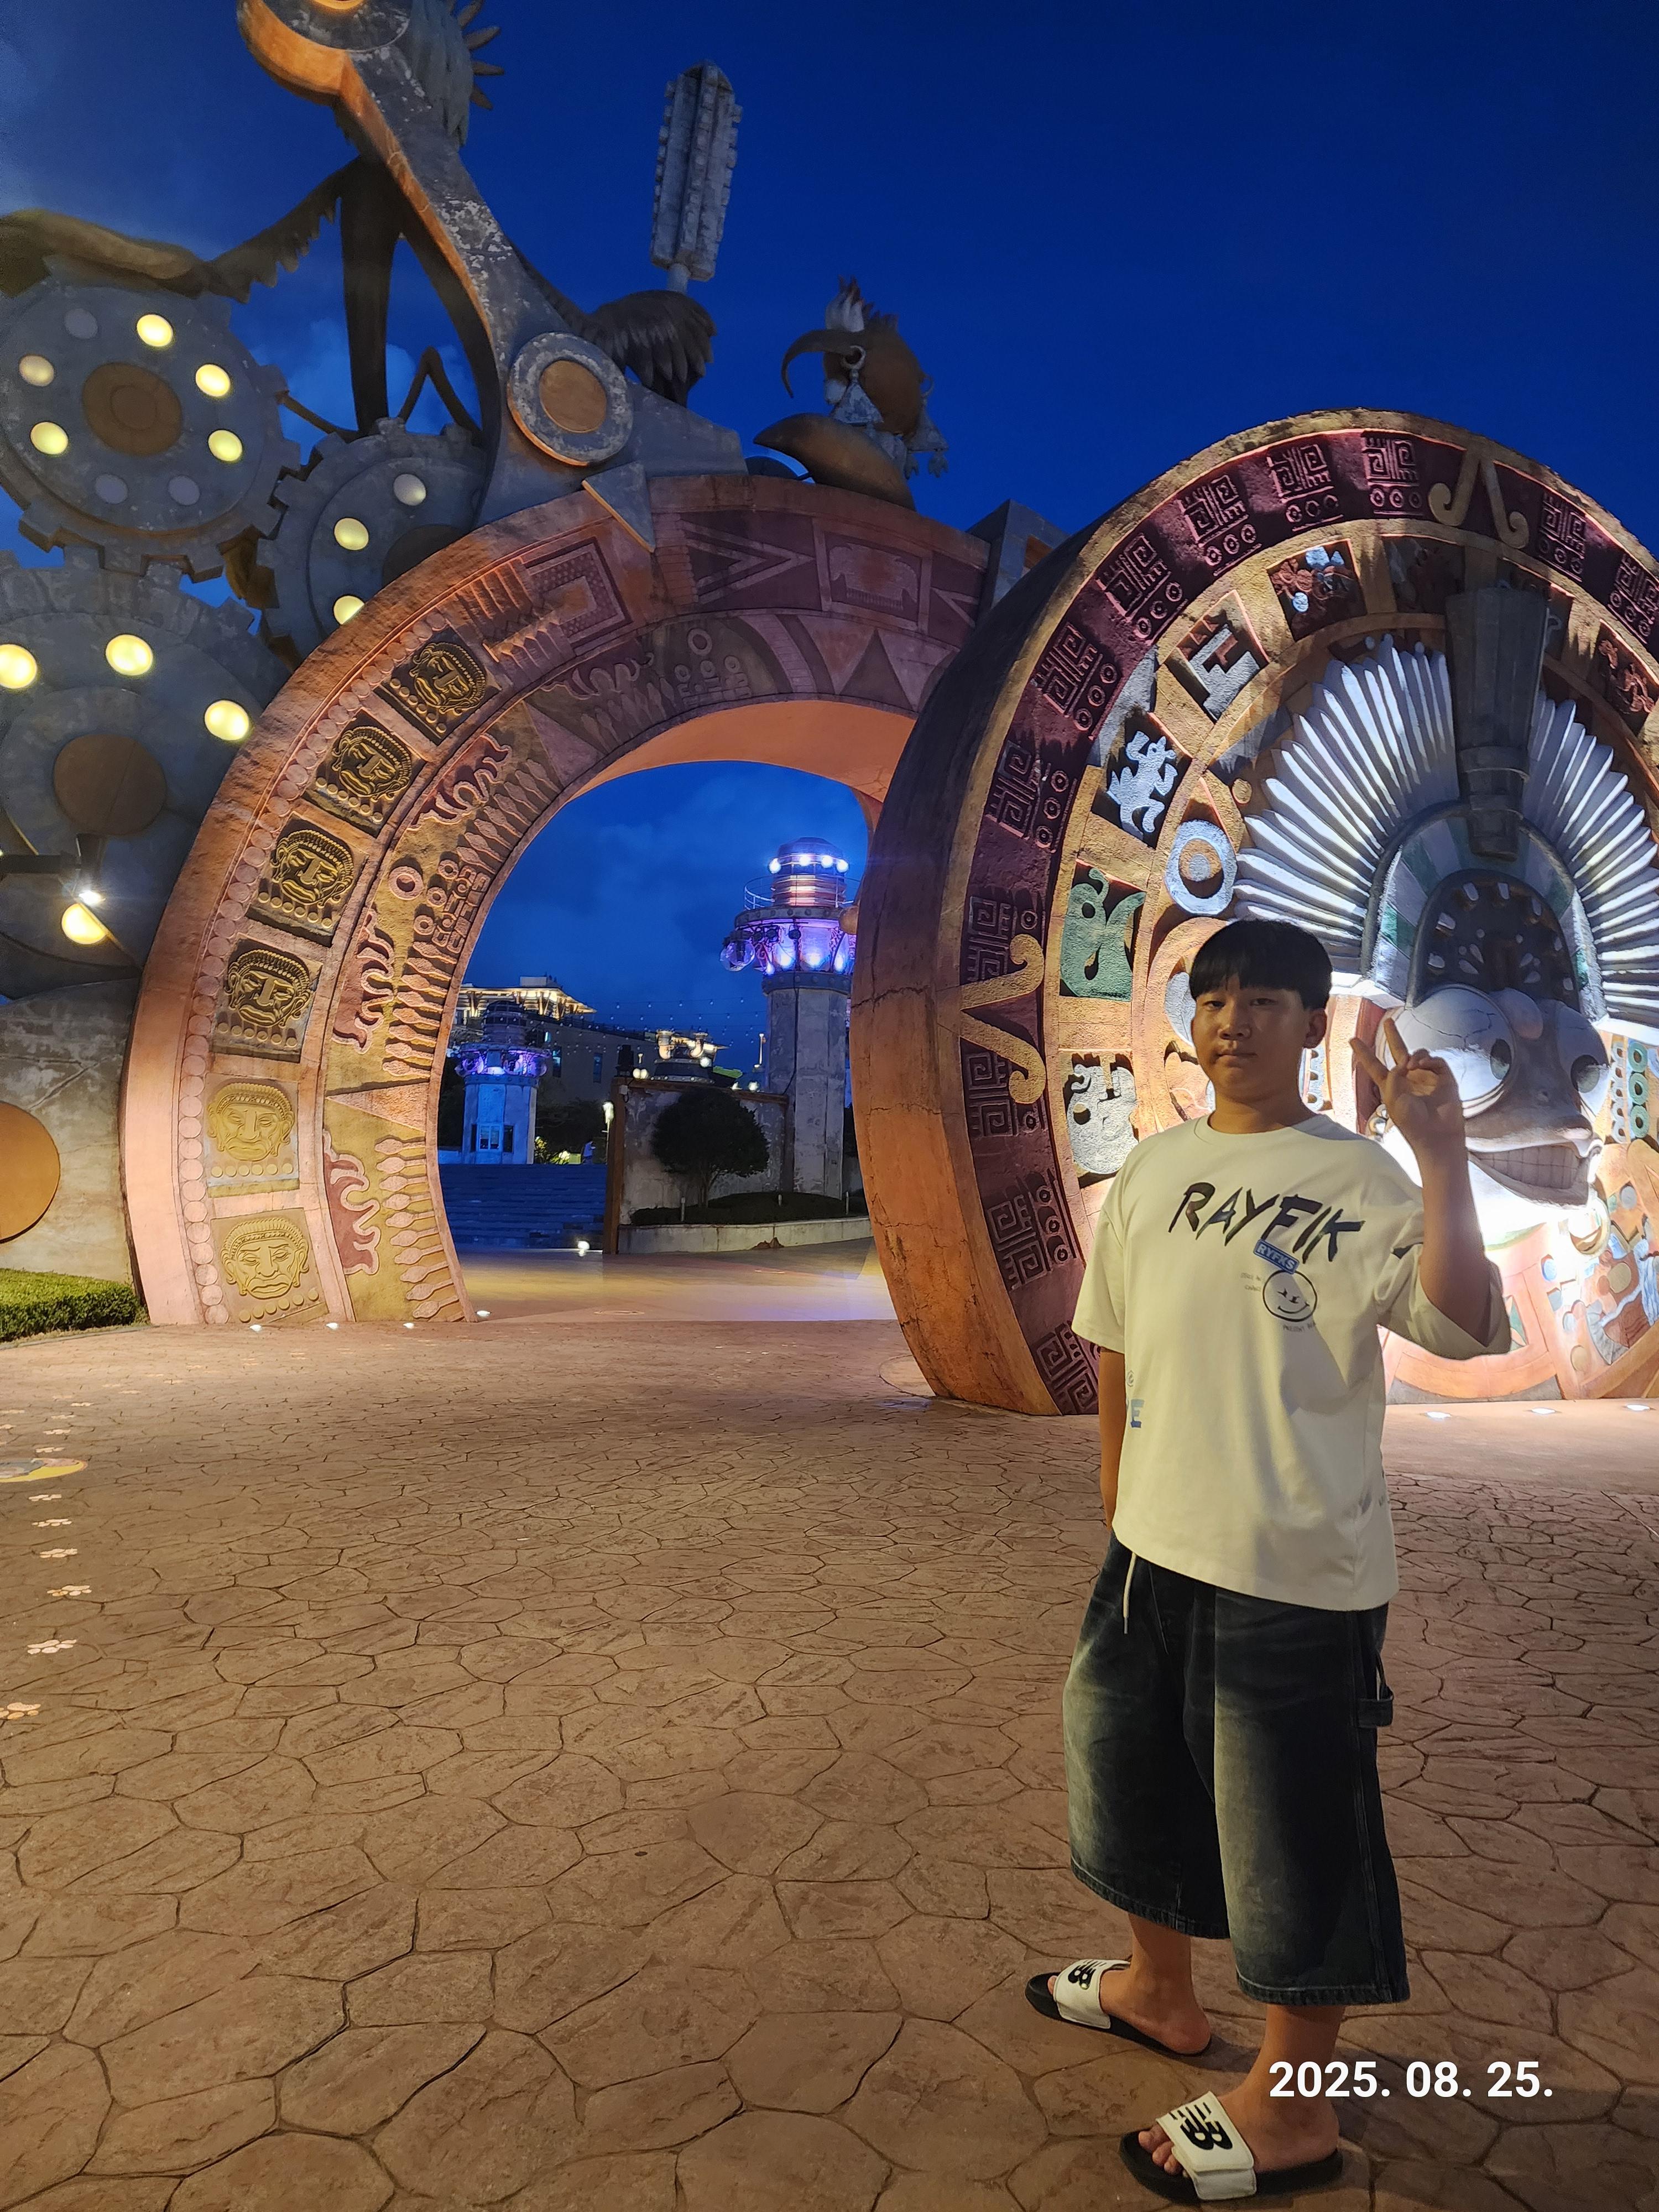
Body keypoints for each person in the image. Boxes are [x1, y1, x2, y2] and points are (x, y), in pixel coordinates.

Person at [1032, 917, 1508, 2204]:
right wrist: (1119, 1501)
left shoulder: (1365, 1179)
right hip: (1150, 1554)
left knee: (1295, 1834)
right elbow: (1113, 1337)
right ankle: (1158, 1991)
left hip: (1293, 1567)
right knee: (1125, 1776)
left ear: (1311, 1024)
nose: (1233, 1019)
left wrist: (1444, 1156)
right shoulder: (1154, 1168)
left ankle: (1294, 2107)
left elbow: (1464, 1322)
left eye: (1264, 1000)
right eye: (1215, 998)